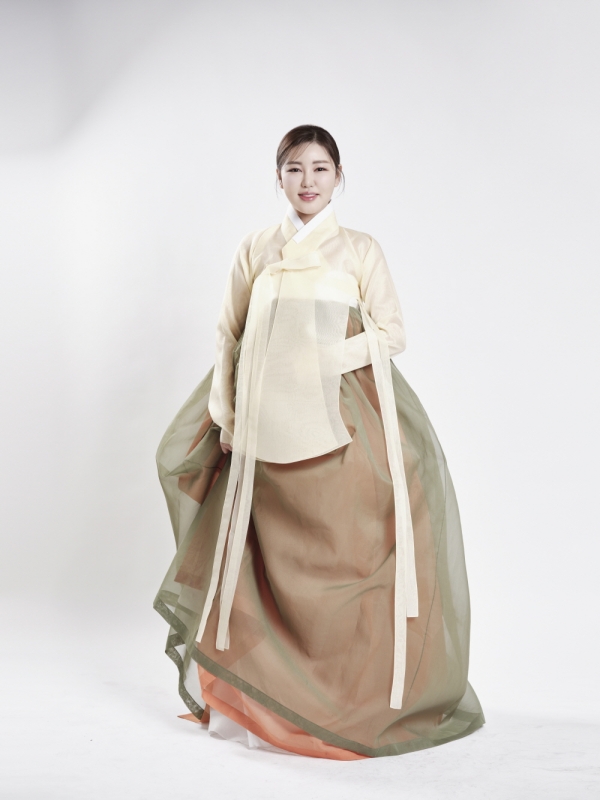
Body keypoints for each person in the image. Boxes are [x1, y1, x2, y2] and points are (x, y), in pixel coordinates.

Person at [155, 124, 484, 759]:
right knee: (258, 563)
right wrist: (226, 417)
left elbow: (391, 332)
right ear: (278, 177)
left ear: (338, 177)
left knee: (344, 556)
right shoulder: (256, 248)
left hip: (338, 424)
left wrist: (323, 355)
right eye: (295, 169)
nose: (307, 181)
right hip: (259, 429)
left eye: (320, 169)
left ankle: (342, 702)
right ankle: (253, 710)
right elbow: (228, 334)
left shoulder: (359, 249)